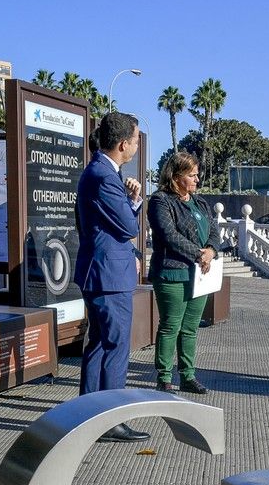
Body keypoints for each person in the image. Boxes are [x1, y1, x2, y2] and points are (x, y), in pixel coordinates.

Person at [74, 110, 148, 442]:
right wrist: (134, 202)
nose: (135, 146)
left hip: (99, 270)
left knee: (99, 344)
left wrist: (127, 200)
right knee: (116, 345)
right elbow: (129, 227)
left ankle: (89, 411)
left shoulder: (97, 172)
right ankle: (110, 419)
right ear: (122, 144)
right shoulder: (105, 177)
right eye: (135, 140)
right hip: (109, 274)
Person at [147, 152, 222, 394]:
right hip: (171, 273)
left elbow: (214, 231)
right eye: (192, 175)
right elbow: (169, 236)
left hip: (199, 275)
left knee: (190, 328)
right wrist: (199, 253)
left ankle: (188, 375)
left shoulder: (200, 203)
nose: (197, 179)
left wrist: (211, 250)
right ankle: (164, 377)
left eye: (196, 175)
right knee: (171, 325)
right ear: (177, 176)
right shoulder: (161, 201)